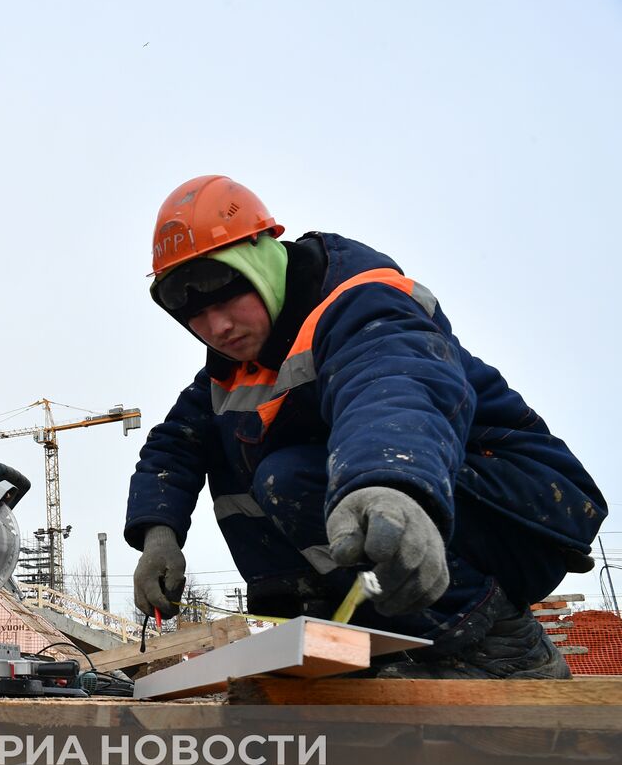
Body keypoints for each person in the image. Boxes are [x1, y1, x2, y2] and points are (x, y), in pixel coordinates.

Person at [126, 175, 606, 679]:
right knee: (237, 452)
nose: (217, 327)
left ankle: (497, 642)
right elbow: (173, 446)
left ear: (260, 263)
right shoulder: (228, 374)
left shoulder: (364, 303)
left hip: (512, 506)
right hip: (423, 499)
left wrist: (389, 485)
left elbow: (393, 388)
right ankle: (351, 646)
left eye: (229, 299)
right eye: (197, 316)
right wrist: (159, 535)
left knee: (287, 477)